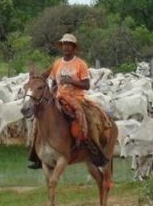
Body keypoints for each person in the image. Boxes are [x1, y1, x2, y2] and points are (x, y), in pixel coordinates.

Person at [28, 33, 109, 169]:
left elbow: (87, 85)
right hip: (58, 97)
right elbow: (54, 83)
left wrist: (72, 81)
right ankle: (36, 155)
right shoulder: (57, 63)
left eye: (69, 45)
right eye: (64, 45)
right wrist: (52, 95)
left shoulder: (80, 64)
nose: (66, 47)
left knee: (83, 117)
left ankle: (94, 150)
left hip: (76, 98)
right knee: (39, 120)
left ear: (74, 48)